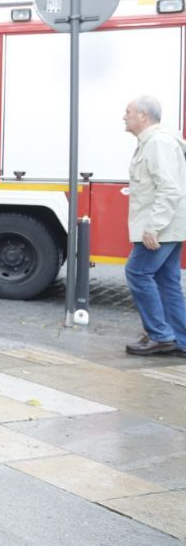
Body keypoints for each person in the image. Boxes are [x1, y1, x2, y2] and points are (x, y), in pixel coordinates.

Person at [121, 95, 186, 356]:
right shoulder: (155, 141)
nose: (124, 116)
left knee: (137, 272)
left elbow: (169, 189)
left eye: (128, 111)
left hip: (162, 227)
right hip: (170, 225)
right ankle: (180, 339)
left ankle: (160, 335)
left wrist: (153, 228)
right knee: (167, 280)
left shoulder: (157, 143)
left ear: (143, 116)